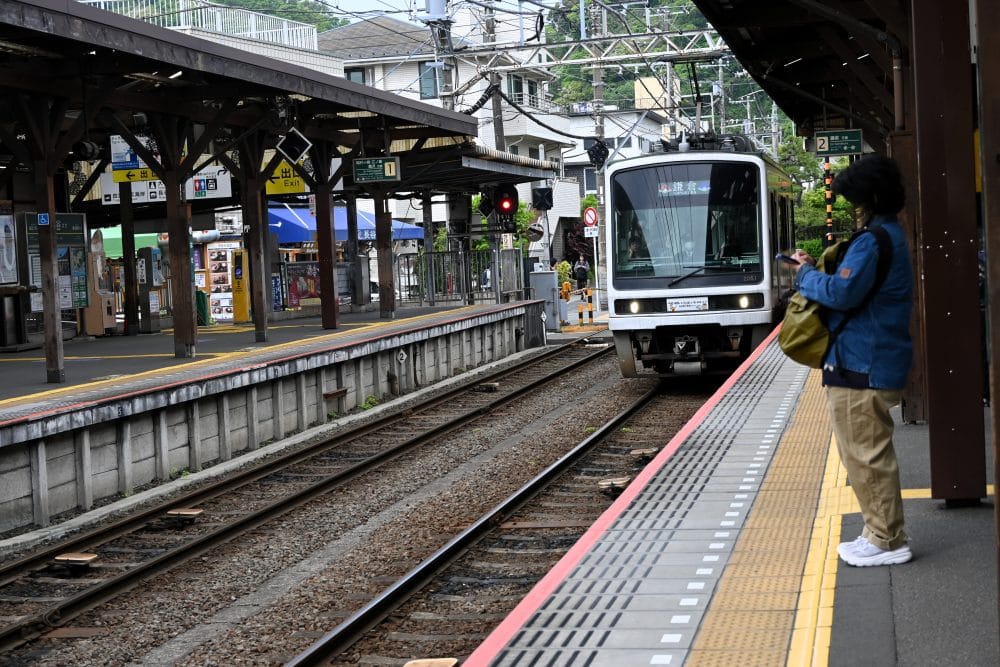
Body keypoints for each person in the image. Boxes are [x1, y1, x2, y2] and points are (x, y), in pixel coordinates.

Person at [790, 154, 913, 567]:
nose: (853, 207)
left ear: (870, 198)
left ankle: (887, 539)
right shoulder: (888, 235)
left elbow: (843, 294)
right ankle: (877, 531)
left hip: (863, 363)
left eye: (856, 199)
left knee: (866, 455)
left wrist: (804, 277)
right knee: (863, 452)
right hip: (868, 359)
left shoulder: (873, 240)